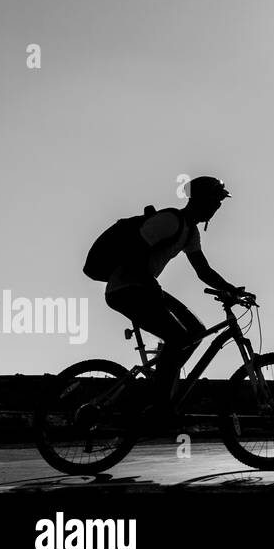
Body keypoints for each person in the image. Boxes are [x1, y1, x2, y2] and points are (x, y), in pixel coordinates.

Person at [103, 176, 252, 423]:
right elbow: (134, 251)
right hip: (126, 288)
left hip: (146, 287)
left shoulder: (190, 232)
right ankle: (159, 405)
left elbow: (203, 270)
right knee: (178, 337)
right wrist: (150, 286)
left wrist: (231, 290)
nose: (217, 207)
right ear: (201, 200)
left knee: (196, 331)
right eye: (215, 201)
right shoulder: (169, 220)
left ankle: (163, 381)